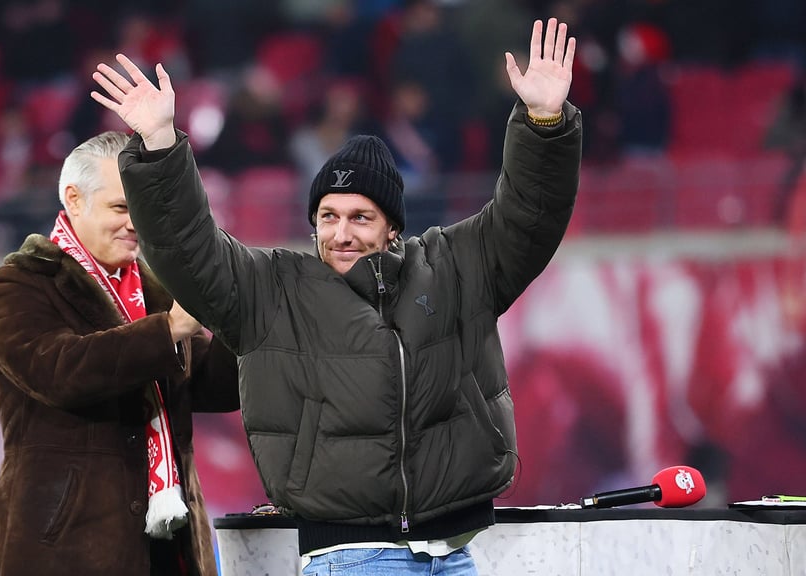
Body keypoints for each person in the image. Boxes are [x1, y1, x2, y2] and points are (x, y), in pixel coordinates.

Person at [92, 17, 582, 576]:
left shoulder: (452, 268)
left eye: (360, 217)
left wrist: (544, 123)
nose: (341, 233)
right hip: (348, 556)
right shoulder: (272, 288)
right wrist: (160, 146)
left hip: (452, 552)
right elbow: (188, 249)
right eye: (328, 216)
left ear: (393, 227)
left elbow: (528, 219)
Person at [0, 131, 240, 576]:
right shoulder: (22, 282)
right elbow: (60, 373)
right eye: (121, 208)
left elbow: (212, 389)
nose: (135, 223)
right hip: (67, 550)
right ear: (74, 199)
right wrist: (168, 329)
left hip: (169, 547)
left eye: (142, 208)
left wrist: (237, 320)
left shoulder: (155, 289)